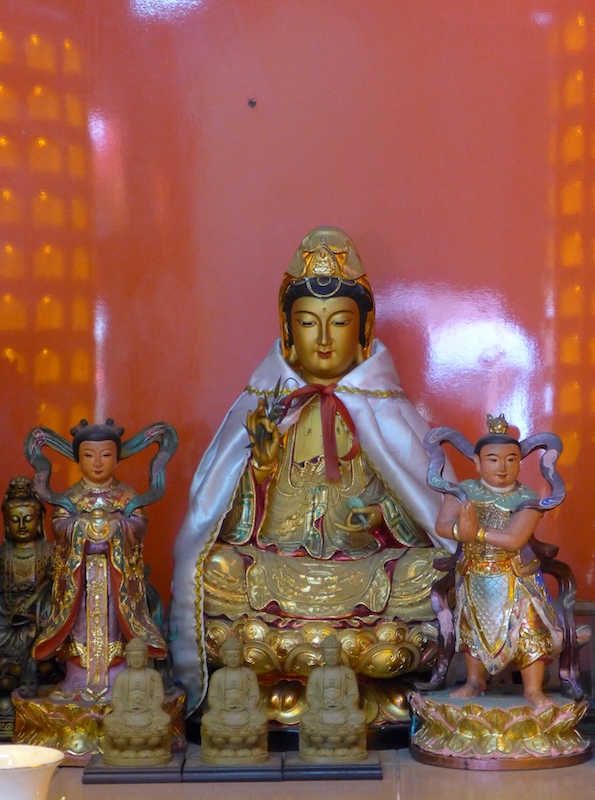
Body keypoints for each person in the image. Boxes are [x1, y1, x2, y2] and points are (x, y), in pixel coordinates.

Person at [171, 227, 456, 713]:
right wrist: (259, 468)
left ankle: (323, 667)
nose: (323, 339)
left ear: (363, 331)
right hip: (277, 569)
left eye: (339, 322)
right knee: (218, 568)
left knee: (427, 573)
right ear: (287, 331)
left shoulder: (387, 411)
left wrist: (383, 516)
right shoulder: (264, 408)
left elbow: (427, 511)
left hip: (366, 570)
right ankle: (325, 671)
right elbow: (225, 522)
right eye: (307, 323)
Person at [32, 420, 166, 700]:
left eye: (105, 455)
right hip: (79, 576)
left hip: (116, 577)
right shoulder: (71, 497)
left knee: (117, 622)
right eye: (89, 455)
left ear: (116, 459)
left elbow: (139, 523)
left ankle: (119, 675)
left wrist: (118, 528)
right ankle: (77, 676)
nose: (97, 463)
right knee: (79, 624)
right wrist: (80, 528)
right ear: (78, 460)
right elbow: (58, 524)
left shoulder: (125, 495)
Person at [434, 417, 563, 708]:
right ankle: (474, 681)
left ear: (520, 464)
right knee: (472, 626)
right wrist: (459, 531)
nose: (502, 467)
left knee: (529, 627)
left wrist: (475, 532)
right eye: (493, 460)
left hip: (516, 574)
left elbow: (514, 539)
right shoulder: (463, 491)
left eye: (511, 460)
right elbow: (442, 525)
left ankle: (533, 689)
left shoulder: (526, 497)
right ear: (477, 462)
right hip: (473, 571)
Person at [0, 477, 53, 694]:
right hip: (4, 626)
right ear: (6, 522)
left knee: (42, 637)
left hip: (36, 625)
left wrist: (37, 613)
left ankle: (15, 672)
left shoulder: (50, 553)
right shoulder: (0, 555)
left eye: (27, 519)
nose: (21, 526)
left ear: (39, 521)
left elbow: (62, 594)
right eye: (14, 520)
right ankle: (14, 670)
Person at [103, 637, 171, 766]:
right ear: (128, 658)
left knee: (164, 719)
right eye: (133, 656)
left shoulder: (153, 675)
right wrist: (123, 706)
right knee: (109, 721)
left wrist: (151, 706)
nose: (136, 660)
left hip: (148, 712)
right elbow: (116, 697)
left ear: (145, 657)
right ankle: (148, 749)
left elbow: (158, 696)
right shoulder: (122, 676)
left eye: (139, 656)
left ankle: (126, 749)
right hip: (127, 713)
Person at [200, 637, 267, 764]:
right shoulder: (218, 675)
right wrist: (222, 705)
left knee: (260, 719)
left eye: (236, 655)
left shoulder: (248, 674)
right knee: (207, 720)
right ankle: (240, 746)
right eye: (229, 655)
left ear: (241, 656)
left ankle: (227, 746)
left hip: (244, 712)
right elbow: (213, 697)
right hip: (223, 712)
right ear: (224, 657)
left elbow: (254, 696)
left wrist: (246, 705)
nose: (233, 659)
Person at [299, 635, 366, 762]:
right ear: (323, 655)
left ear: (339, 654)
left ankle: (329, 746)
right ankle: (339, 746)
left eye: (334, 654)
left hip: (343, 709)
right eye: (328, 654)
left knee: (359, 718)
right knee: (306, 719)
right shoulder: (316, 673)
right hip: (321, 710)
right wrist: (320, 704)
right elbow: (311, 695)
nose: (331, 657)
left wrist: (345, 703)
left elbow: (353, 694)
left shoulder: (347, 673)